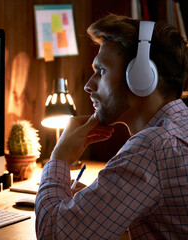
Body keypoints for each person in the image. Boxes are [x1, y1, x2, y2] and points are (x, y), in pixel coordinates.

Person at [35, 14, 188, 239]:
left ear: (141, 77)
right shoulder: (179, 127)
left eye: (102, 71)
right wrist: (97, 206)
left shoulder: (152, 147)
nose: (89, 85)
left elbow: (53, 234)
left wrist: (59, 157)